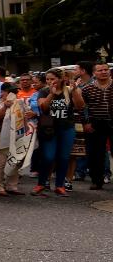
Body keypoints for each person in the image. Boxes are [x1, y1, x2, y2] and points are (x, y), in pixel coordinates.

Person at [32, 68, 86, 196]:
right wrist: (51, 94)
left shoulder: (69, 90)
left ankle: (60, 185)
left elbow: (80, 106)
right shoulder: (44, 91)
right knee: (48, 156)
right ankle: (41, 183)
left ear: (60, 79)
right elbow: (43, 108)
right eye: (47, 79)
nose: (50, 82)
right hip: (49, 129)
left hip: (67, 128)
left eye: (53, 79)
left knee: (64, 157)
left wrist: (74, 91)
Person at [81, 62, 113, 190]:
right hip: (95, 123)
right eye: (100, 70)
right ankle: (96, 180)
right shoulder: (87, 89)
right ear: (94, 73)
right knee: (96, 154)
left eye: (106, 69)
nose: (104, 72)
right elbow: (83, 108)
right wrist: (86, 122)